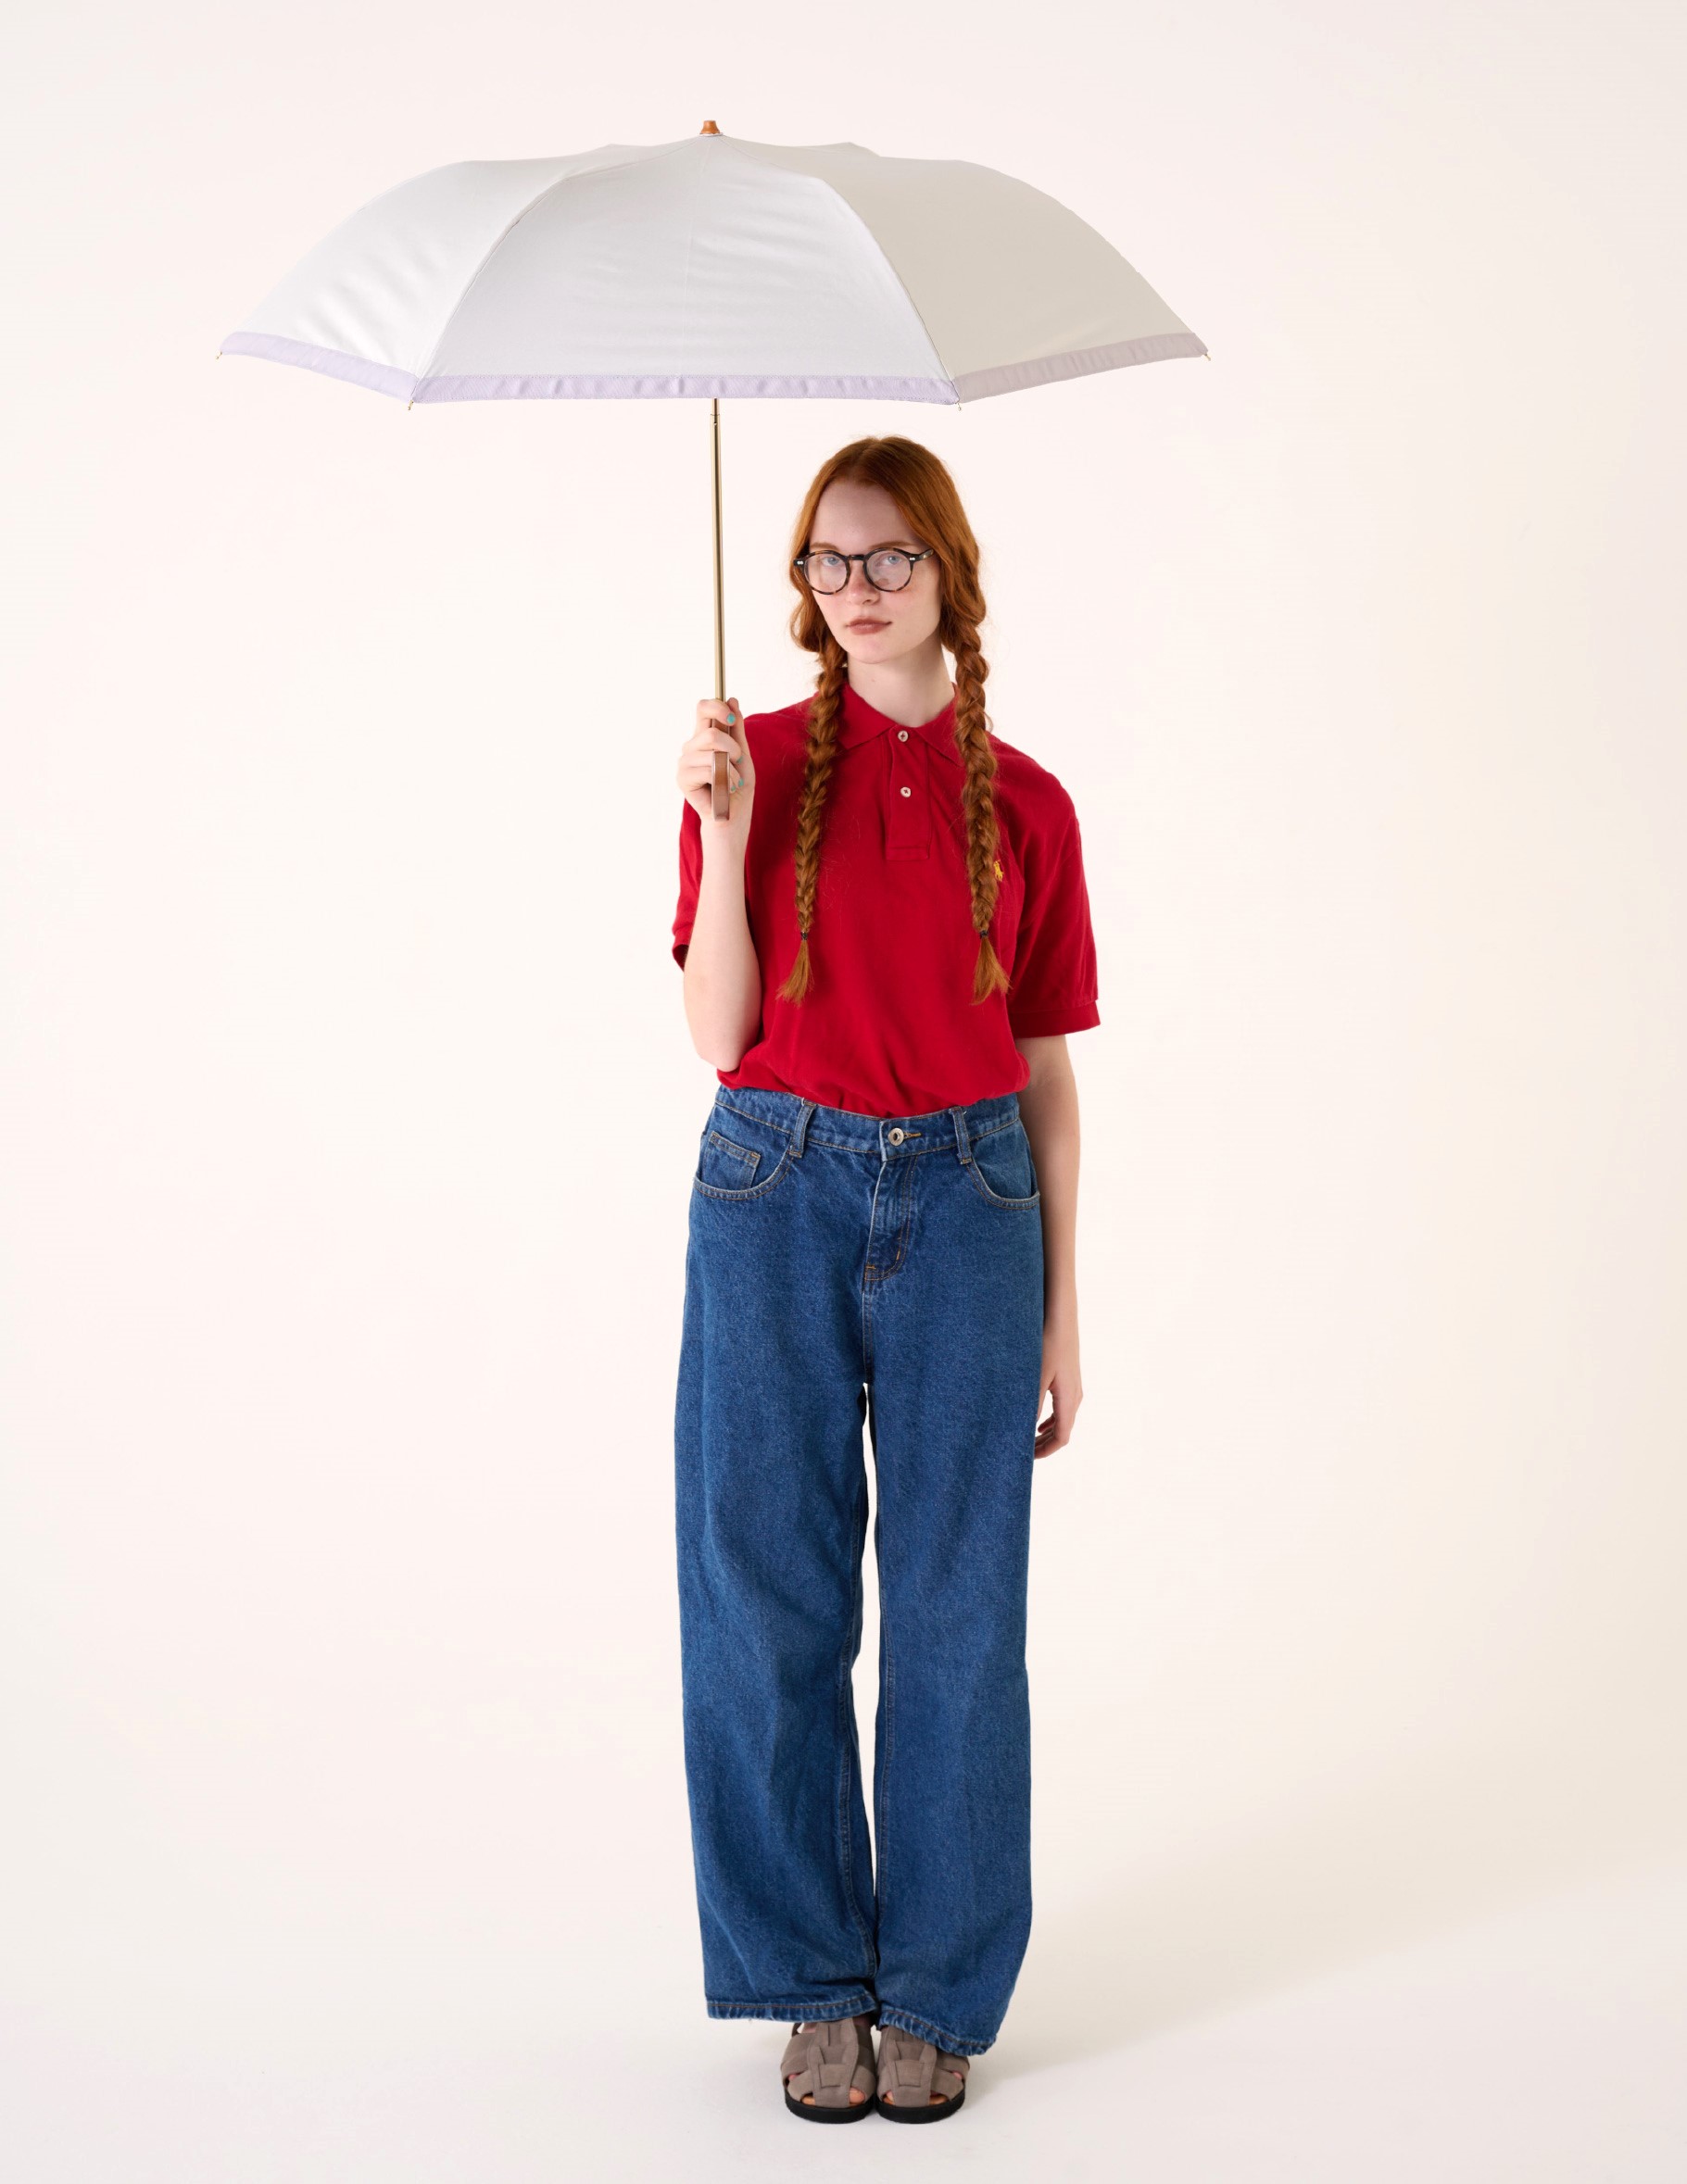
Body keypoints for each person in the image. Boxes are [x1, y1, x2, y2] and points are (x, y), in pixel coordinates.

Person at [669, 435, 1100, 2124]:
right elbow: (719, 1032)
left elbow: (1044, 1067)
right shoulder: (752, 764)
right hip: (773, 1183)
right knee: (762, 1594)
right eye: (827, 561)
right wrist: (719, 836)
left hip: (974, 1203)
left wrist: (1063, 1302)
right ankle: (805, 1982)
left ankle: (933, 1983)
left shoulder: (1030, 802)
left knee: (956, 1607)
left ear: (947, 575)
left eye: (888, 557)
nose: (854, 587)